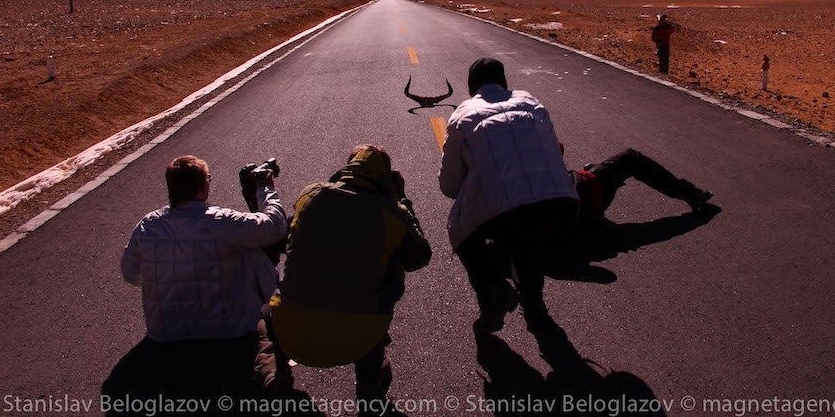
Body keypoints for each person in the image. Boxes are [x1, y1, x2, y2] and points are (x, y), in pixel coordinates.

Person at [269, 144, 431, 410]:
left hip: (292, 333)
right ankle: (370, 385)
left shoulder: (310, 195)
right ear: (385, 177)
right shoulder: (392, 213)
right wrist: (402, 200)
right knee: (390, 270)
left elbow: (281, 240)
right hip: (362, 335)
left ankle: (275, 378)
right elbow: (420, 257)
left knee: (266, 312)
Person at [119, 155, 289, 401]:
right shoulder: (222, 222)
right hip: (229, 330)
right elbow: (275, 226)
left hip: (164, 334)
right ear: (204, 186)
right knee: (265, 329)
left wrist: (166, 278)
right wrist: (265, 187)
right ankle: (270, 377)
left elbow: (130, 273)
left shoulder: (148, 225)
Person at [439, 58, 579, 334]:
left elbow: (450, 187)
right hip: (564, 204)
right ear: (503, 81)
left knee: (462, 228)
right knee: (524, 228)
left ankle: (493, 291)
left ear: (471, 87)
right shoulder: (531, 101)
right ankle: (534, 302)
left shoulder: (462, 114)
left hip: (509, 213)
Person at [567, 146, 713, 230]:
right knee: (631, 158)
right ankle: (692, 194)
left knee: (598, 171)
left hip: (571, 207)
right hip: (582, 198)